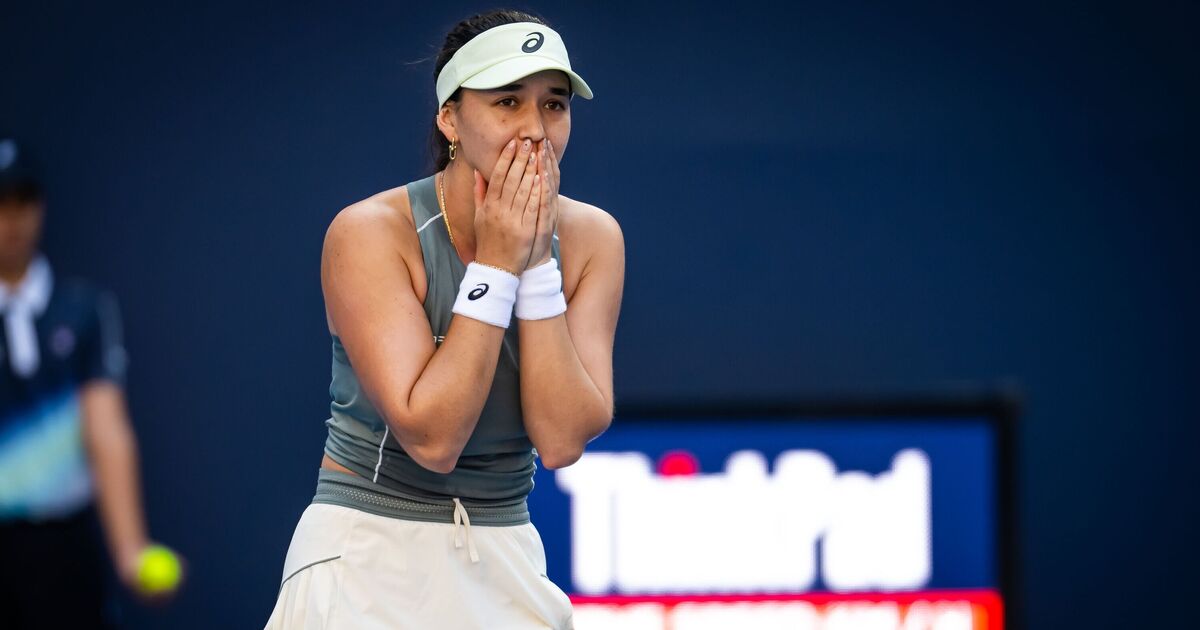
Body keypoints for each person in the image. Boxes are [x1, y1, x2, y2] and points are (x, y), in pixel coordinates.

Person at [264, 9, 624, 630]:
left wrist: (537, 268)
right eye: (507, 101)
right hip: (366, 556)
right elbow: (433, 438)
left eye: (554, 104)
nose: (535, 129)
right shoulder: (370, 234)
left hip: (505, 558)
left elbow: (564, 440)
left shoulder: (593, 238)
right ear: (450, 117)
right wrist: (497, 266)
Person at [0, 138, 182, 628]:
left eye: (22, 201)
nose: (11, 219)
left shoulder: (82, 311)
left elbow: (106, 432)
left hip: (65, 549)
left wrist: (129, 548)